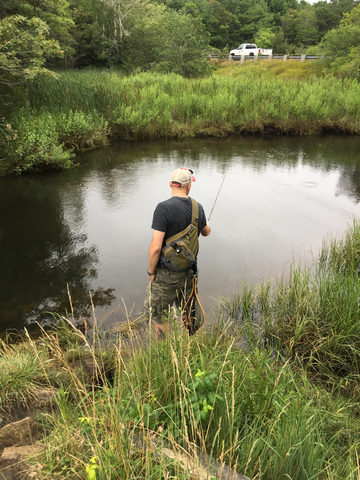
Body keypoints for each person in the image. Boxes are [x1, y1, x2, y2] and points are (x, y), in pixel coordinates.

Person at [144, 167, 211, 336]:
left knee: (158, 316)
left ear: (170, 184)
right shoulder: (197, 207)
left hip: (165, 275)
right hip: (189, 273)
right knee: (189, 311)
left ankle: (164, 350)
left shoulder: (163, 208)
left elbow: (156, 247)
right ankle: (191, 343)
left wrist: (151, 272)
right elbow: (206, 232)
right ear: (189, 186)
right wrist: (205, 220)